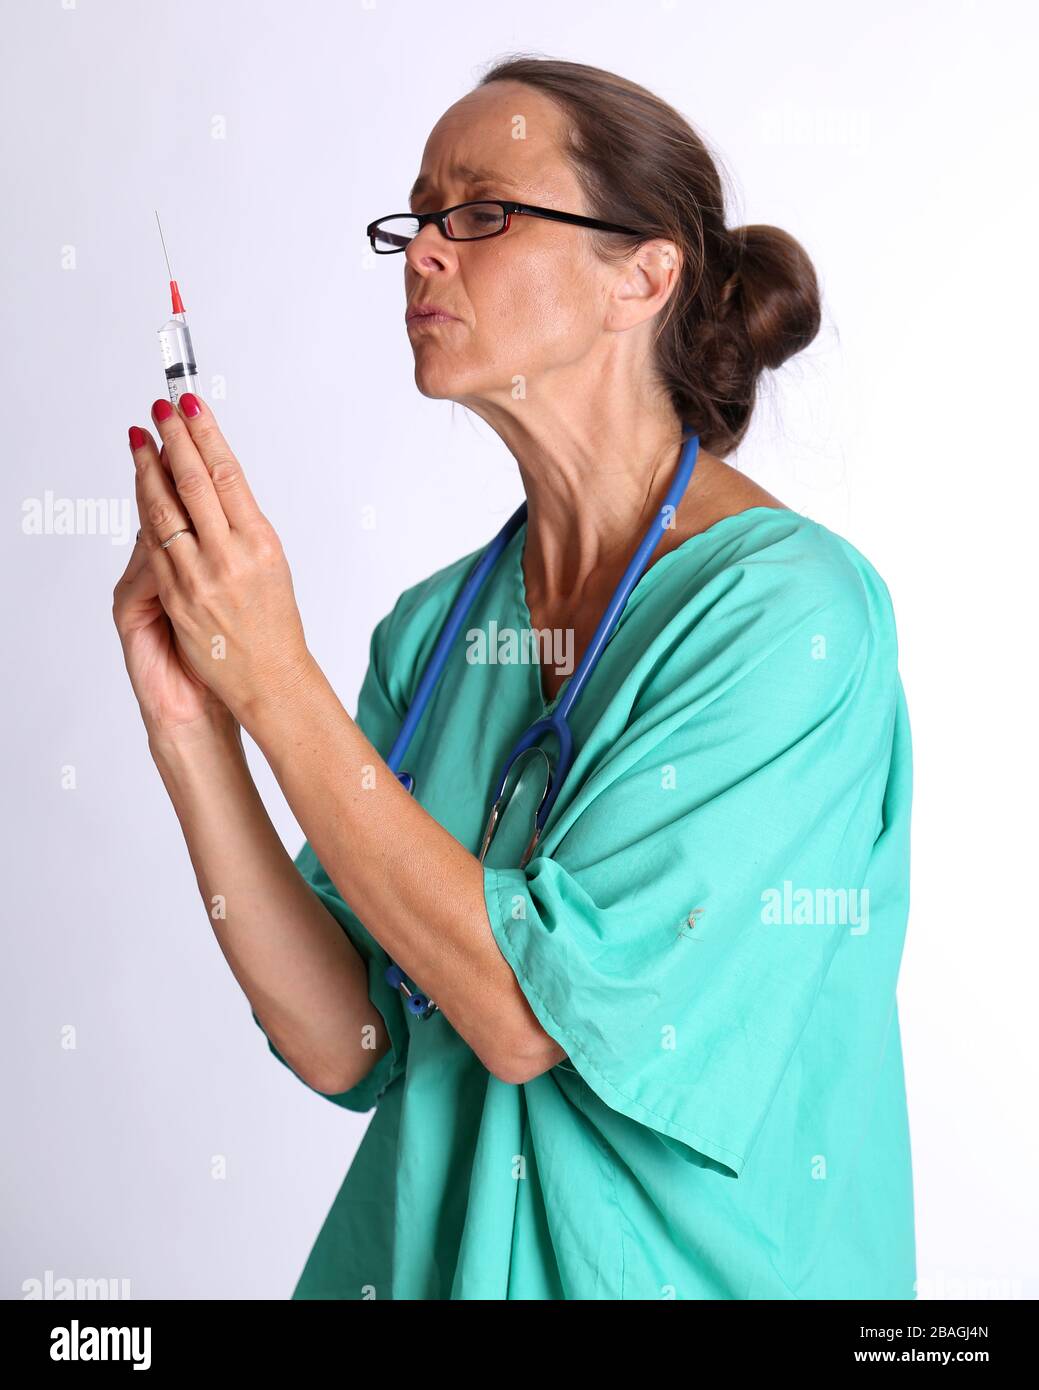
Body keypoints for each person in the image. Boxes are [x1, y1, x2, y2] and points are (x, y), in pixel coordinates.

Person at [112, 55, 915, 1300]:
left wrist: (275, 681)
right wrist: (195, 726)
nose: (422, 252)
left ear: (641, 277)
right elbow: (347, 1039)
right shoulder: (434, 635)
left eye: (479, 213)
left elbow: (531, 1017)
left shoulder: (789, 619)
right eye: (418, 217)